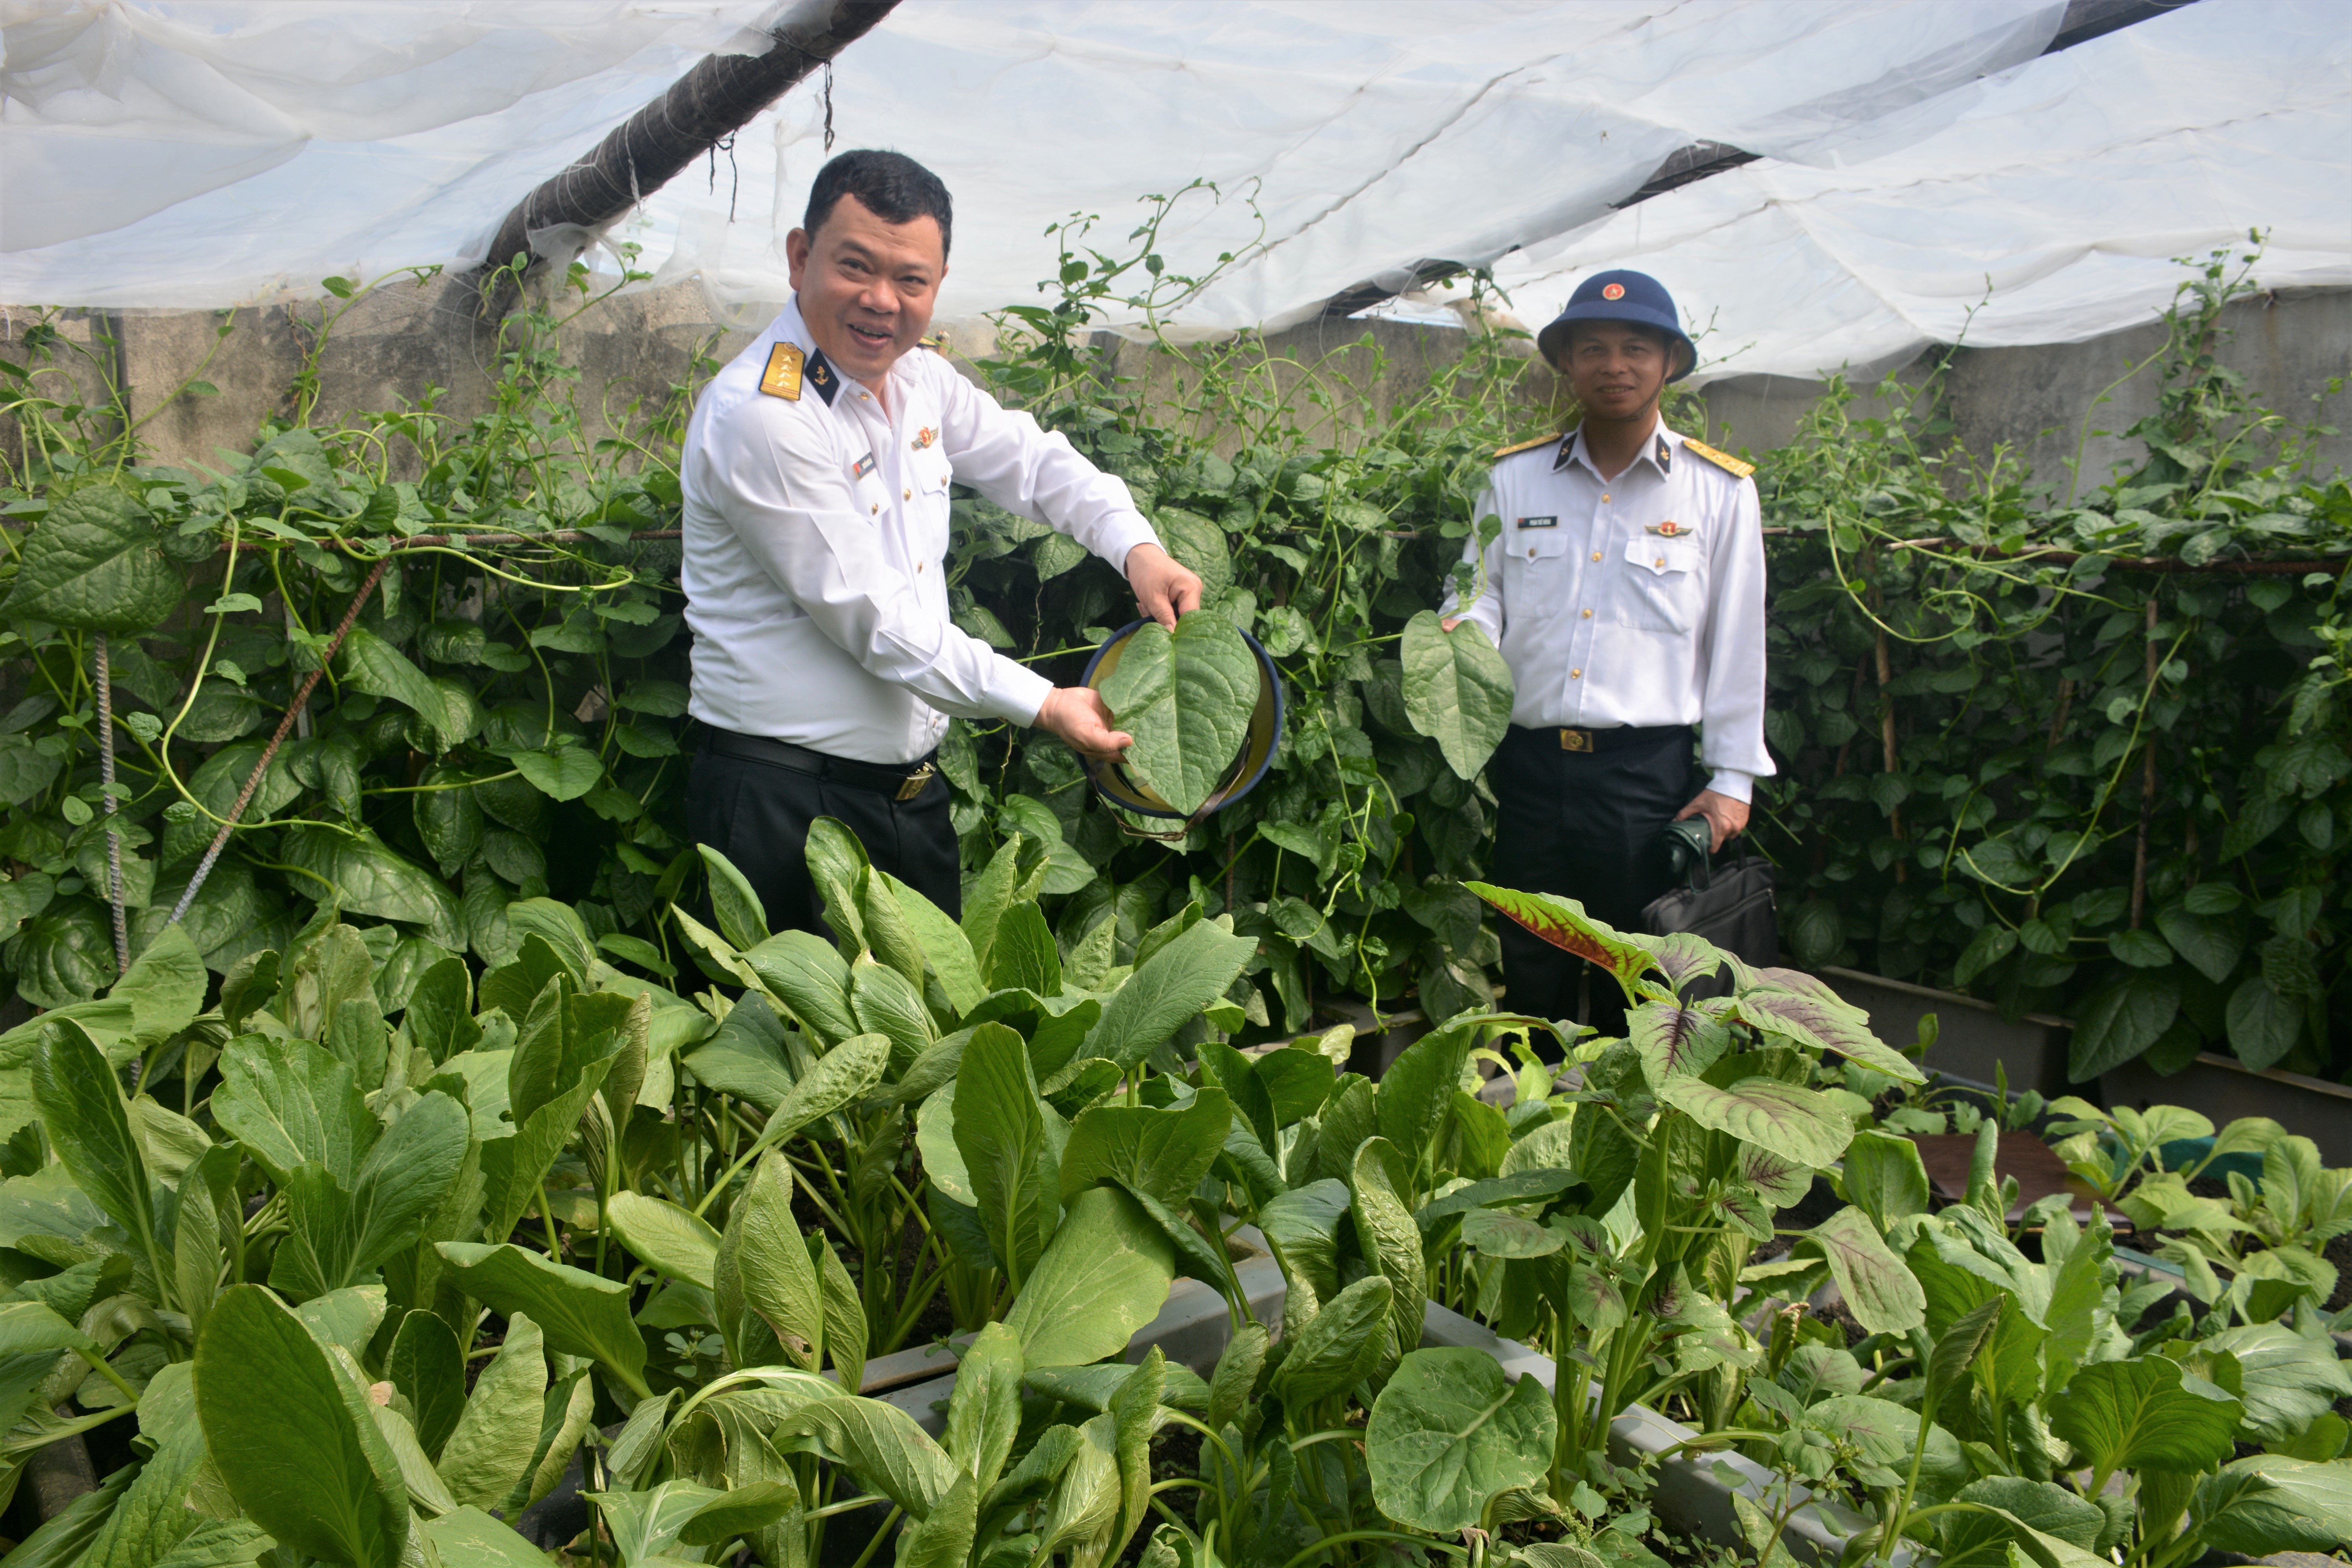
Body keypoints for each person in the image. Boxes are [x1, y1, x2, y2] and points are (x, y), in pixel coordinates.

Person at [681, 149, 1202, 935]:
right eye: (855, 267)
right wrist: (1046, 703)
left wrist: (1137, 547)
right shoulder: (765, 416)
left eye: (911, 280)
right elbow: (880, 625)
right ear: (799, 257)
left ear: (938, 285)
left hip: (903, 800)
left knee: (925, 1050)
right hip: (782, 809)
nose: (881, 301)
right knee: (785, 1051)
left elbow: (1031, 460)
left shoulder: (919, 379)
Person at [1439, 269, 1771, 1040]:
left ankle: (1629, 1142)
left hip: (1643, 779)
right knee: (1532, 963)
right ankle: (1535, 1130)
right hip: (1527, 767)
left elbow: (1737, 644)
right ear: (1566, 362)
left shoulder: (1718, 492)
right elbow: (1477, 590)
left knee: (1644, 976)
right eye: (1593, 347)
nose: (1613, 364)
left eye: (1635, 347)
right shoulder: (1512, 478)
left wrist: (1731, 781)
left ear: (1669, 364)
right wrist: (1462, 633)